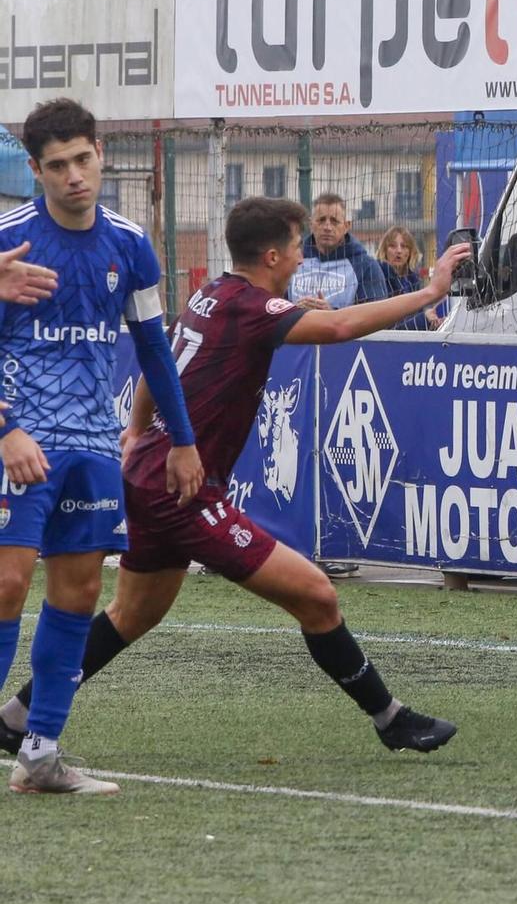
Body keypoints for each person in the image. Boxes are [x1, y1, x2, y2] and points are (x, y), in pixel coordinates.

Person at [0, 197, 471, 761]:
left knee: (133, 615)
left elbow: (159, 362)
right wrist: (429, 292)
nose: (301, 258)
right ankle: (390, 718)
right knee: (318, 596)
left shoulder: (211, 294)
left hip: (155, 473)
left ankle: (16, 718)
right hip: (182, 487)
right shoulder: (252, 308)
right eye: (297, 247)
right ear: (272, 254)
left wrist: (136, 429)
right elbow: (343, 324)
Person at [0, 97, 203, 796]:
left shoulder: (129, 242)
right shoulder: (10, 242)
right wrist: (6, 431)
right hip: (18, 441)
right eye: (56, 166)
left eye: (82, 159)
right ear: (35, 170)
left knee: (80, 593)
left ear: (99, 153)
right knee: (5, 585)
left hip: (91, 443)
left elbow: (153, 345)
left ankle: (42, 754)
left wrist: (180, 439)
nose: (73, 176)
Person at [288, 192, 387, 311]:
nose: (327, 227)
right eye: (321, 220)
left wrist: (332, 314)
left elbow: (374, 316)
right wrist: (293, 312)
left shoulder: (366, 266)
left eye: (334, 221)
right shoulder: (291, 259)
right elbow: (274, 307)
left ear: (346, 226)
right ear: (311, 225)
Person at [376, 225, 441, 331]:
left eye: (404, 246)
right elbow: (391, 327)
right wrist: (424, 319)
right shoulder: (378, 277)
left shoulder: (413, 281)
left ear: (410, 252)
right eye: (392, 246)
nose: (399, 251)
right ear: (384, 250)